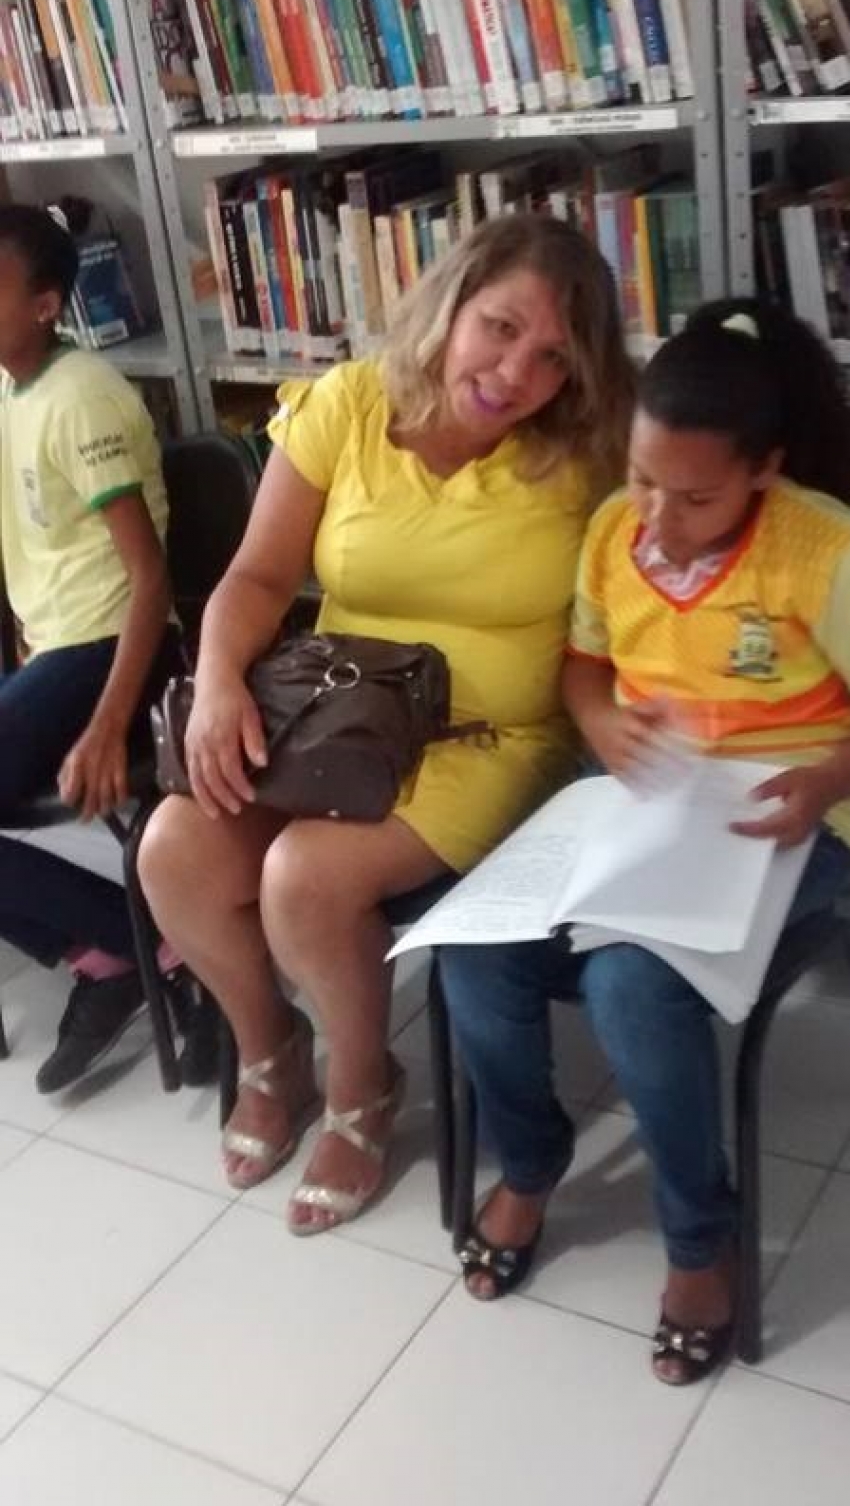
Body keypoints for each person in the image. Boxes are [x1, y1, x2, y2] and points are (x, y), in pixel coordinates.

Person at [439, 299, 850, 1386]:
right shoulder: (616, 528)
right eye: (643, 480)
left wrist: (823, 781)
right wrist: (600, 717)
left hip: (788, 815)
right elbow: (584, 664)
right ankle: (533, 1157)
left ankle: (700, 1239)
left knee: (628, 986)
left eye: (696, 497)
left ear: (764, 472)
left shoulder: (825, 550)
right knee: (473, 951)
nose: (658, 519)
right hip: (640, 808)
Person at [137, 212, 636, 1233]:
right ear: (449, 303)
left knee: (303, 875)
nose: (515, 373)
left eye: (552, 357)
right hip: (338, 709)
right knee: (173, 848)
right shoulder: (350, 402)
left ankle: (361, 1087)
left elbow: (734, 470)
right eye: (500, 327)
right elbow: (259, 575)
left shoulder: (591, 449)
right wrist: (219, 677)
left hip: (491, 738)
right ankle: (271, 1047)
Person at [0, 204, 202, 1092]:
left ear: (45, 305)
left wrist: (108, 722)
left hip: (115, 645)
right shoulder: (11, 387)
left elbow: (149, 582)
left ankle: (147, 945)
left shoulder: (82, 396)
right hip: (55, 649)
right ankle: (114, 954)